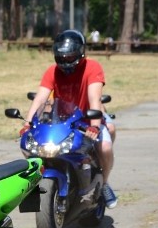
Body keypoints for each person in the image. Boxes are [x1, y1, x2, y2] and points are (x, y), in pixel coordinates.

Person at [24, 29, 118, 208]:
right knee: (30, 145)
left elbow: (94, 99)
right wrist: (27, 123)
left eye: (70, 57)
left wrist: (95, 126)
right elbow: (41, 98)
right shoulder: (52, 71)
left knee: (104, 147)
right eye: (62, 57)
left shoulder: (92, 67)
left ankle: (104, 184)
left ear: (81, 53)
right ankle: (37, 186)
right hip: (62, 119)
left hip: (89, 116)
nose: (66, 61)